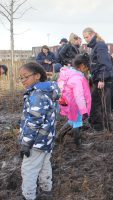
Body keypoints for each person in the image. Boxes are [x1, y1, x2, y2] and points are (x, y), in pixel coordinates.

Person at [18, 62, 59, 200]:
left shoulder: (37, 95)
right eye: (21, 78)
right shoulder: (48, 91)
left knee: (28, 169)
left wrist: (26, 143)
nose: (23, 81)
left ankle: (28, 195)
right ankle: (46, 189)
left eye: (25, 77)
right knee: (44, 164)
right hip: (47, 139)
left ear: (37, 76)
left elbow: (34, 123)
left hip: (36, 141)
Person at [82, 27, 113, 132]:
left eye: (87, 37)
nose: (86, 39)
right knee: (97, 103)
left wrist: (102, 79)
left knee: (101, 104)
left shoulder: (100, 46)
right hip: (98, 80)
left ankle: (103, 128)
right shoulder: (95, 46)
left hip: (103, 81)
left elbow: (104, 63)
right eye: (84, 37)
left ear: (93, 34)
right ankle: (101, 127)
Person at [56, 53, 92, 146]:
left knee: (72, 121)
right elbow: (79, 96)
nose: (88, 69)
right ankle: (78, 144)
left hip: (68, 101)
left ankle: (58, 137)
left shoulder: (69, 73)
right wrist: (84, 111)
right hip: (75, 104)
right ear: (82, 66)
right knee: (77, 123)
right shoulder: (77, 78)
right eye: (87, 67)